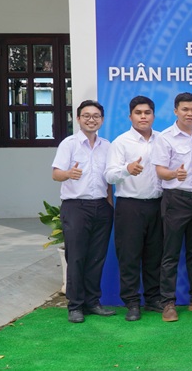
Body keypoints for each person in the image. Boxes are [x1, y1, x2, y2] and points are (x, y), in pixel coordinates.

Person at [52, 100, 114, 323]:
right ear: (78, 119)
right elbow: (55, 174)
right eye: (86, 115)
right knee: (77, 257)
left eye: (96, 116)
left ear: (102, 120)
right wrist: (68, 173)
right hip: (76, 207)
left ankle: (92, 302)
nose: (91, 119)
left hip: (101, 206)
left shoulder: (107, 146)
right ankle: (75, 306)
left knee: (97, 257)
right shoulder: (69, 144)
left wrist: (109, 203)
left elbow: (108, 178)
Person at [104, 96, 163, 321]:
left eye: (147, 113)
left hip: (158, 204)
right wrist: (127, 170)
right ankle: (131, 302)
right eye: (138, 113)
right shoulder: (121, 142)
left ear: (153, 116)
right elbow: (109, 175)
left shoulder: (162, 140)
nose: (143, 117)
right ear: (130, 116)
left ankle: (153, 299)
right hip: (130, 206)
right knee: (129, 256)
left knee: (154, 255)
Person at [152, 92, 192, 322]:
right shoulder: (165, 137)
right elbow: (160, 171)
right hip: (176, 199)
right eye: (185, 109)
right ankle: (168, 302)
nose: (189, 113)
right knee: (171, 253)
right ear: (176, 111)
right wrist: (175, 174)